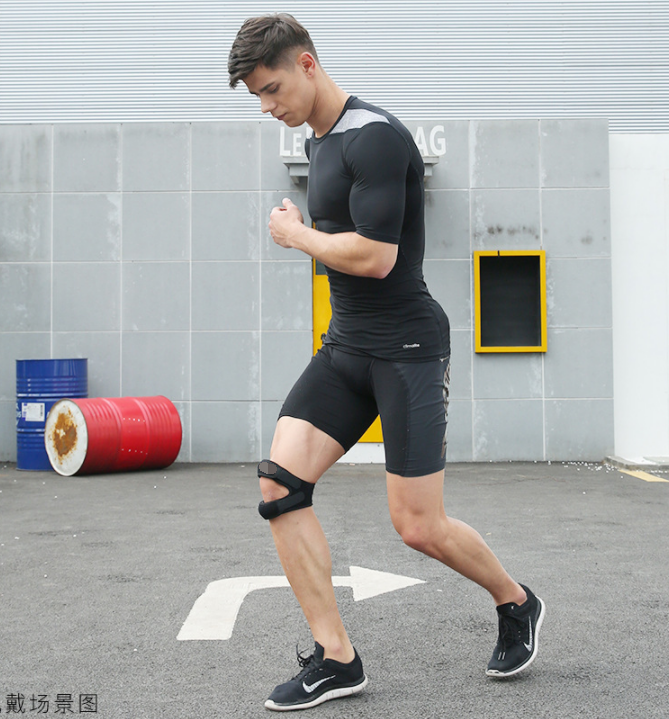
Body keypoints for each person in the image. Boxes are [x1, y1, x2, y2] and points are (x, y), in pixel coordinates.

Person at [228, 14, 545, 712]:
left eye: (271, 88)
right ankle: (336, 658)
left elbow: (376, 256)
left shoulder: (374, 137)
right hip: (346, 348)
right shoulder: (319, 141)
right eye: (256, 96)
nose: (267, 106)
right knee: (279, 486)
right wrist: (307, 235)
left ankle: (515, 600)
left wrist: (296, 235)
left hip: (406, 349)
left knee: (418, 525)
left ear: (306, 64)